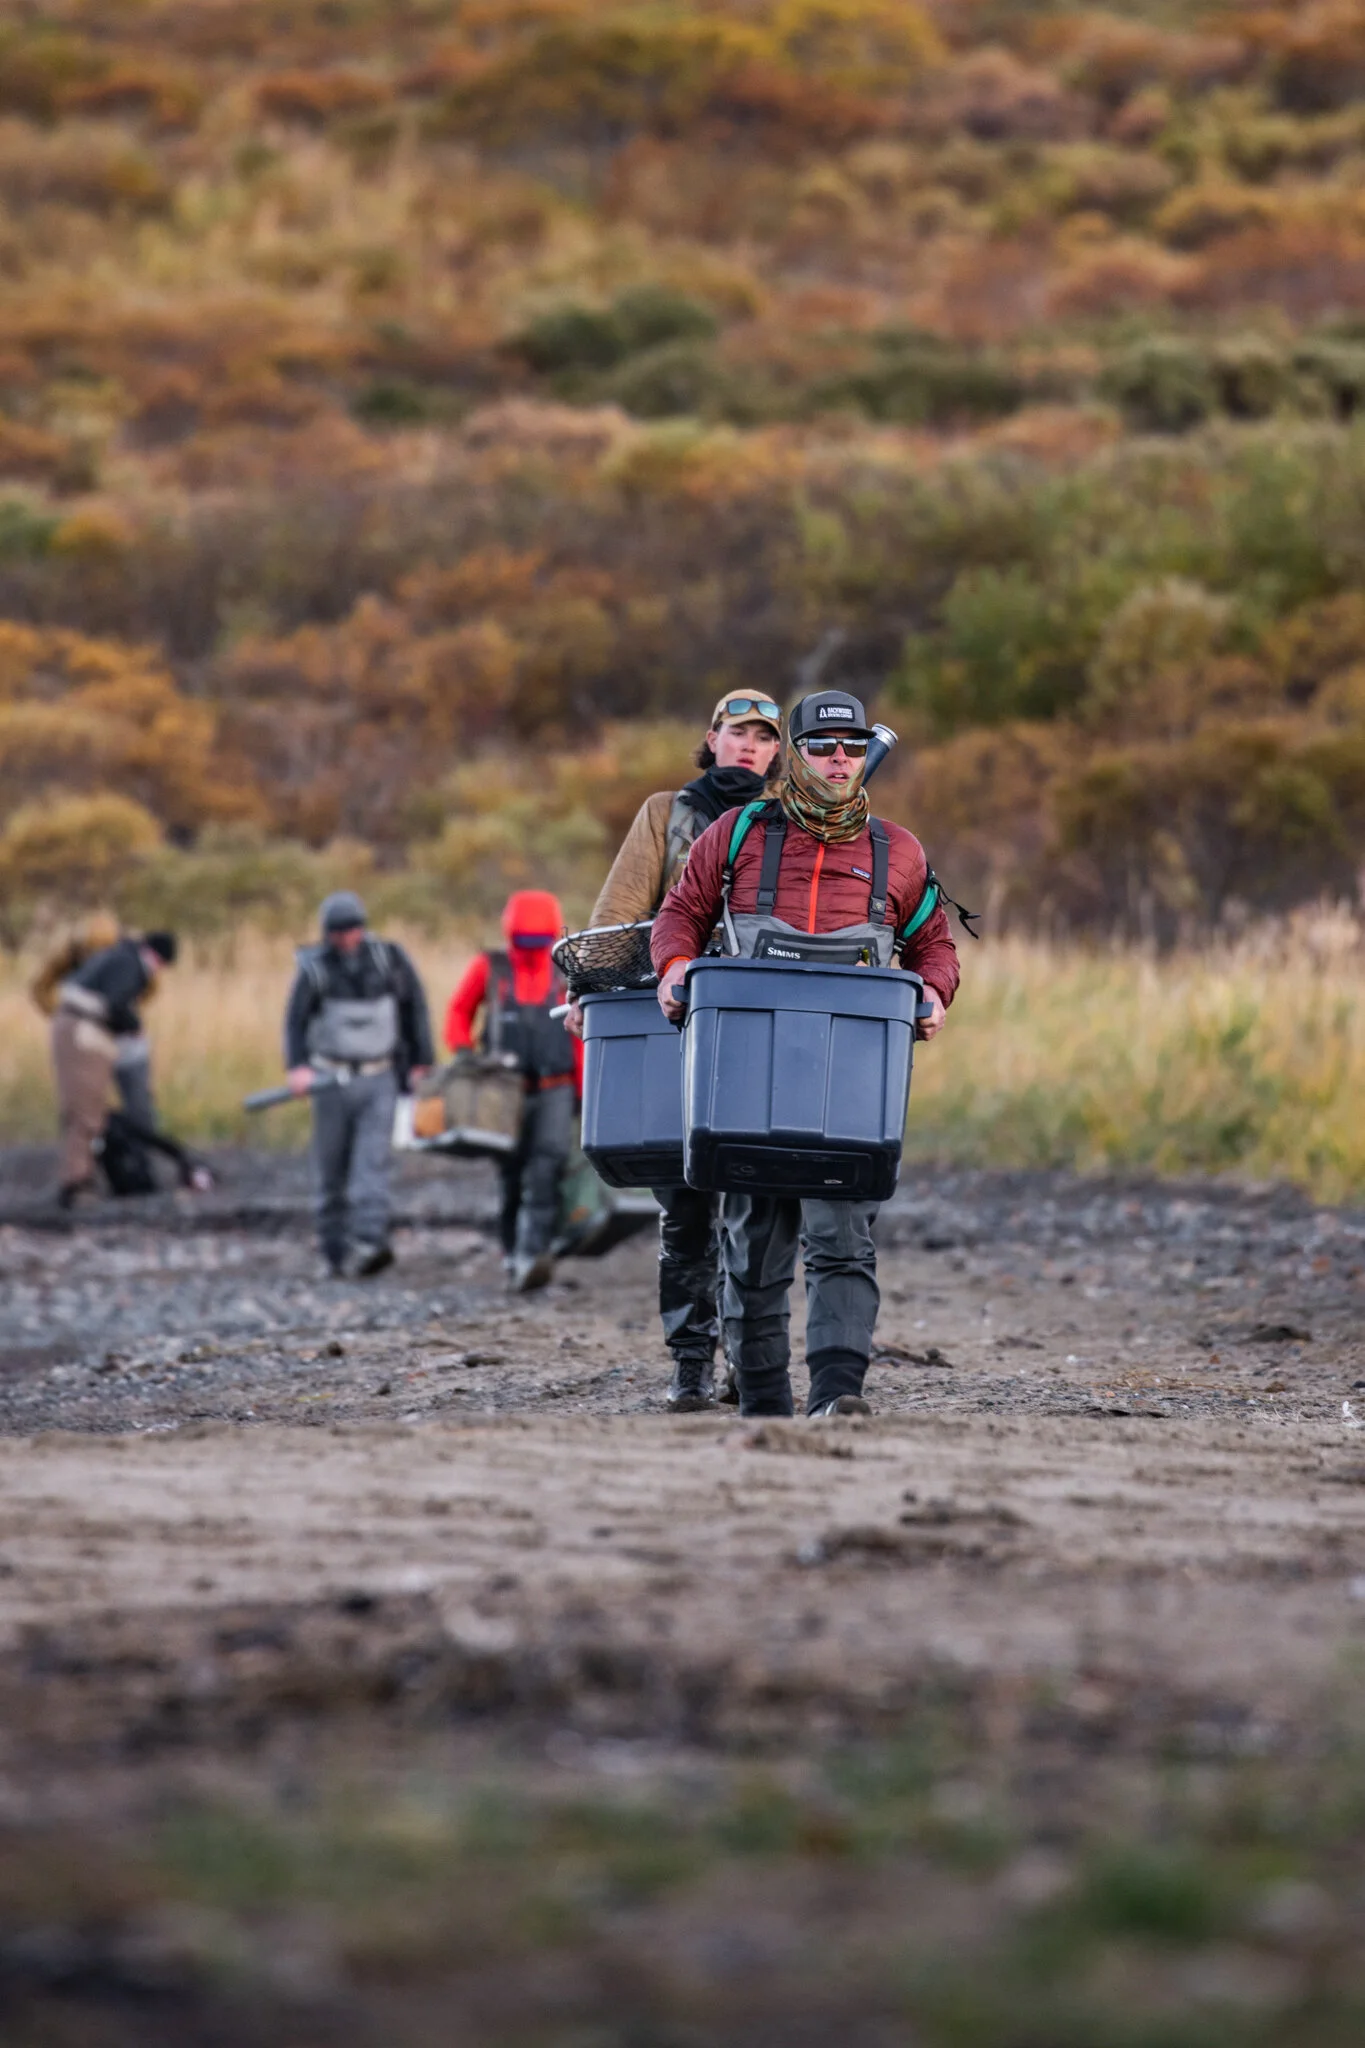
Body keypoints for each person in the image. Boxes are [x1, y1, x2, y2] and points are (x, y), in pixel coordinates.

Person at [651, 688, 960, 1420]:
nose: (838, 757)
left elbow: (933, 944)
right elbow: (681, 915)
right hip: (747, 1070)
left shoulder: (900, 850)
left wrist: (935, 994)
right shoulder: (734, 832)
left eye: (851, 745)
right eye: (821, 746)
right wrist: (672, 971)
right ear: (794, 756)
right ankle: (762, 1403)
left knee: (842, 1238)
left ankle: (835, 1393)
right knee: (753, 1245)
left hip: (851, 1078)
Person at [572, 695, 784, 1413]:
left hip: (762, 1024)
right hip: (678, 1018)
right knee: (686, 1203)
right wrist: (588, 988)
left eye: (764, 737)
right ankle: (690, 1363)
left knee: (755, 1201)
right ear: (711, 739)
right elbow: (621, 913)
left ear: (777, 752)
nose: (750, 747)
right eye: (738, 733)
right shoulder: (667, 812)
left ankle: (746, 1361)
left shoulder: (792, 818)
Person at [284, 892, 433, 1278]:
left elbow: (414, 1006)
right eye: (339, 932)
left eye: (353, 930)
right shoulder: (314, 970)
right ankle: (333, 1253)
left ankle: (369, 1243)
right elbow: (295, 1022)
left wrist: (421, 1060)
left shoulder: (389, 960)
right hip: (329, 1081)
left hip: (380, 1077)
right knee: (331, 1169)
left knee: (372, 1165)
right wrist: (297, 1067)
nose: (348, 938)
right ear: (328, 934)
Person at [445, 888, 580, 1294]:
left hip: (556, 1087)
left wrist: (584, 1087)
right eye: (525, 940)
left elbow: (580, 1030)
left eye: (540, 941)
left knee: (546, 1168)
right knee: (510, 1174)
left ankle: (532, 1255)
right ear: (511, 934)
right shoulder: (490, 968)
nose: (533, 948)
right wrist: (464, 1050)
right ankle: (511, 1253)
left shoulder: (567, 971)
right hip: (502, 1092)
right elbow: (458, 1011)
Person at [50, 928, 179, 1207]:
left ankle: (80, 1178)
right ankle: (76, 1183)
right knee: (85, 1110)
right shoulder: (130, 964)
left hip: (77, 1028)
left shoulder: (119, 955)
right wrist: (135, 1027)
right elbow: (115, 1002)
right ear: (158, 958)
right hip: (83, 1032)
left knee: (86, 1108)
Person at [33, 912, 159, 1130]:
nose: (99, 958)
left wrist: (126, 1012)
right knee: (80, 1101)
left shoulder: (128, 954)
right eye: (92, 952)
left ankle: (137, 1146)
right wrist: (63, 1015)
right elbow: (40, 988)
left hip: (116, 1028)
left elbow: (151, 985)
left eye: (105, 951)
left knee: (137, 1097)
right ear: (81, 948)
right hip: (82, 1032)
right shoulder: (67, 952)